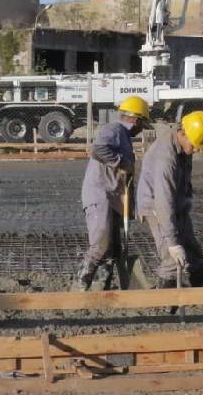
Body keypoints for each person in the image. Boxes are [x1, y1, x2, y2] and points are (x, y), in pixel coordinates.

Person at [76, 95, 149, 290]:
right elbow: (98, 149)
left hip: (114, 198)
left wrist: (131, 208)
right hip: (100, 194)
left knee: (112, 250)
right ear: (135, 118)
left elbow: (127, 177)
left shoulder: (124, 137)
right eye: (142, 123)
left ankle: (101, 290)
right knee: (100, 246)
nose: (142, 129)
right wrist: (122, 163)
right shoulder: (114, 129)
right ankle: (79, 288)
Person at [137, 110, 203, 288]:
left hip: (176, 202)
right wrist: (172, 242)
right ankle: (168, 302)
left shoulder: (184, 145)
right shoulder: (166, 158)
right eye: (194, 145)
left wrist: (185, 203)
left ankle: (202, 288)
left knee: (191, 249)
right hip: (156, 206)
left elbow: (183, 181)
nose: (196, 150)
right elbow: (163, 201)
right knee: (172, 259)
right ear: (183, 134)